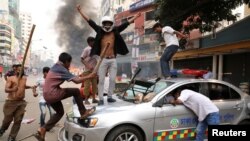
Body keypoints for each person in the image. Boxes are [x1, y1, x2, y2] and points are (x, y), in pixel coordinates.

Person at [76, 5, 141, 105]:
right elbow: (90, 22)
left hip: (113, 59)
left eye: (108, 23)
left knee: (112, 79)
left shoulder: (115, 31)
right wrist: (80, 12)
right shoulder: (99, 30)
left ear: (111, 24)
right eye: (105, 23)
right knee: (101, 80)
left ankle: (110, 96)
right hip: (102, 60)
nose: (107, 25)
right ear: (103, 24)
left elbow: (126, 24)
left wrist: (136, 17)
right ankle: (101, 99)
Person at [35, 52, 96, 141]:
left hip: (46, 95)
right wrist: (90, 76)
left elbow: (73, 77)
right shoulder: (62, 69)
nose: (69, 65)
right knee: (75, 91)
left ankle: (43, 128)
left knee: (59, 113)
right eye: (69, 63)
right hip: (53, 94)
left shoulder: (55, 66)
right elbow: (77, 81)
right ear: (66, 61)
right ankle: (83, 112)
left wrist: (81, 75)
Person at [0, 64, 36, 141]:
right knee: (7, 120)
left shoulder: (24, 78)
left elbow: (23, 86)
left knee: (18, 120)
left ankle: (12, 137)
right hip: (10, 102)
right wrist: (13, 89)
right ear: (15, 70)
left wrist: (30, 87)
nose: (20, 71)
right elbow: (6, 89)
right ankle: (2, 130)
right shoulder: (11, 78)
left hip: (21, 103)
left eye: (22, 70)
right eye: (19, 70)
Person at [81, 36, 99, 104]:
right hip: (87, 71)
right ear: (89, 43)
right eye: (92, 42)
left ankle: (94, 99)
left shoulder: (96, 49)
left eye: (94, 41)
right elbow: (81, 59)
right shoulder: (87, 49)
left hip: (94, 71)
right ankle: (86, 99)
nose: (93, 43)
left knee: (95, 85)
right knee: (87, 86)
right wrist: (88, 66)